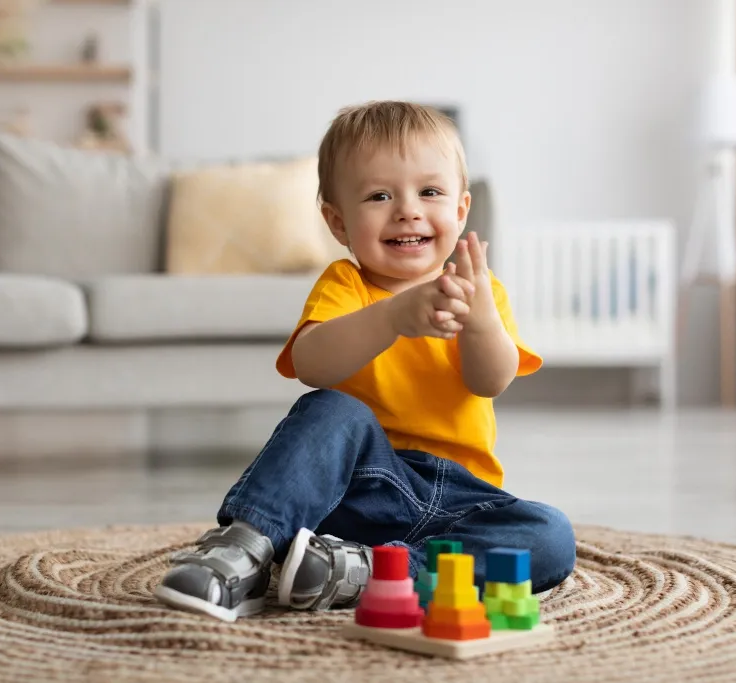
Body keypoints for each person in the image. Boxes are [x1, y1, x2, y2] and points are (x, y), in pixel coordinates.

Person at [154, 100, 576, 622]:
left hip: (458, 501)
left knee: (549, 535)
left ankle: (366, 573)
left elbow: (490, 381)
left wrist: (480, 318)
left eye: (430, 192)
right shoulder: (346, 284)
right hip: (360, 489)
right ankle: (243, 548)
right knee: (333, 407)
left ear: (461, 210)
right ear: (338, 222)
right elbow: (313, 365)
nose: (408, 210)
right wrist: (393, 317)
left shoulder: (482, 291)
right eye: (379, 195)